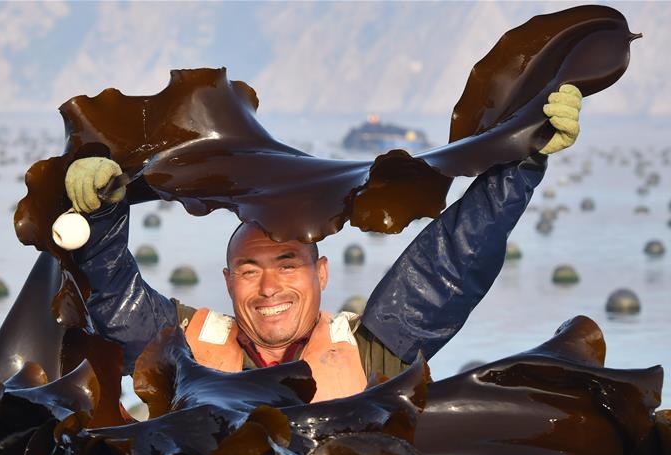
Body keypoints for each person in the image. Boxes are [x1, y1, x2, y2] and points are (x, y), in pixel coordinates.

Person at [53, 85, 583, 402]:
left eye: (288, 263)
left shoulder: (378, 350)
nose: (269, 287)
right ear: (228, 281)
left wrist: (522, 160)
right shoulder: (182, 347)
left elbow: (452, 261)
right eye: (249, 269)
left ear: (321, 273)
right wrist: (101, 213)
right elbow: (116, 302)